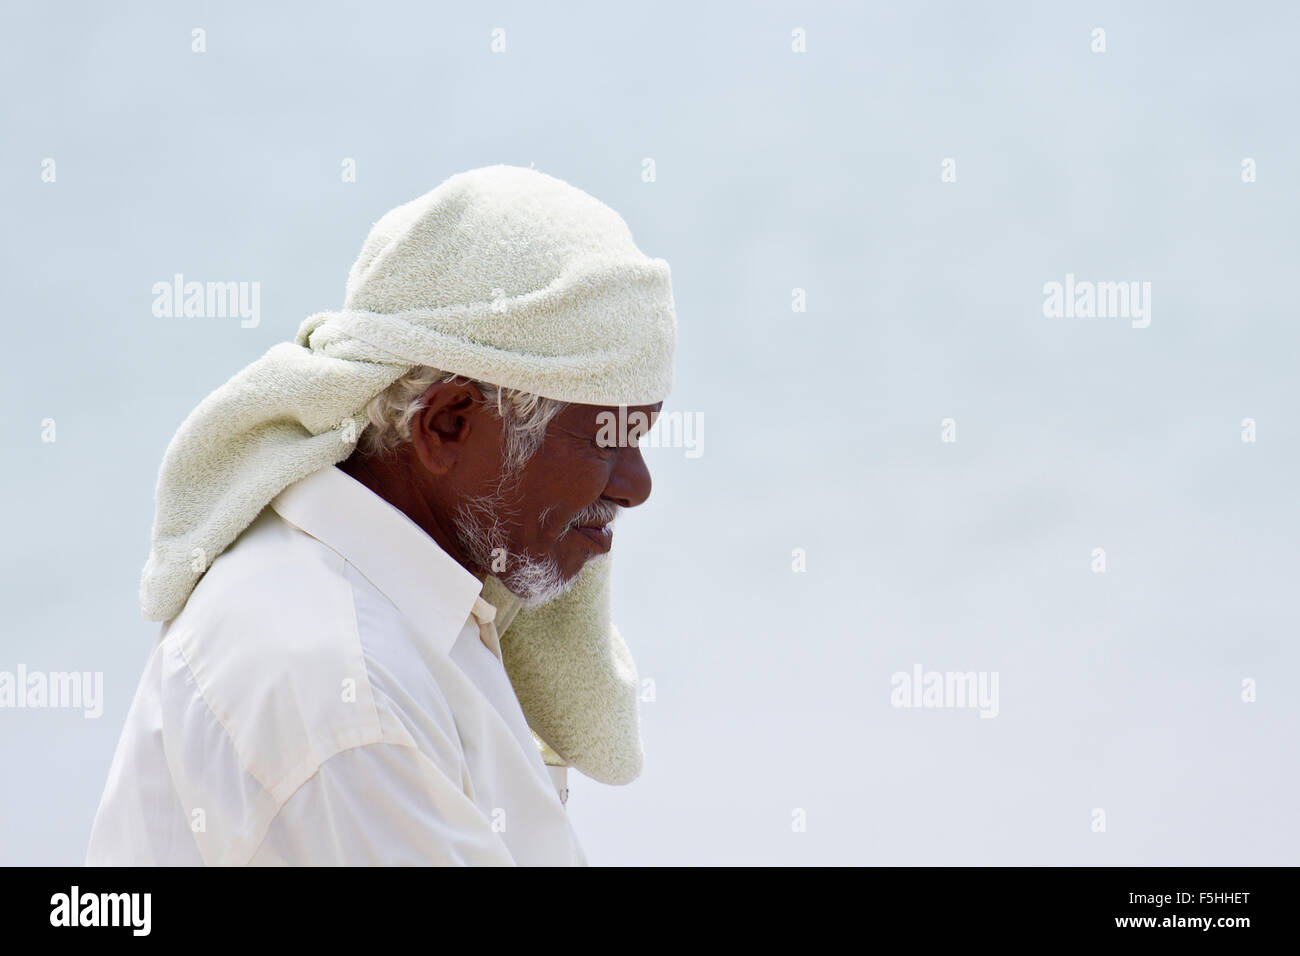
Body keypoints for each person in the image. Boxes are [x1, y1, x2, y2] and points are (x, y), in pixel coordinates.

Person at [85, 164, 677, 865]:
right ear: (448, 423)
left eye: (638, 439)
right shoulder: (347, 699)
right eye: (606, 440)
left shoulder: (421, 598)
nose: (637, 486)